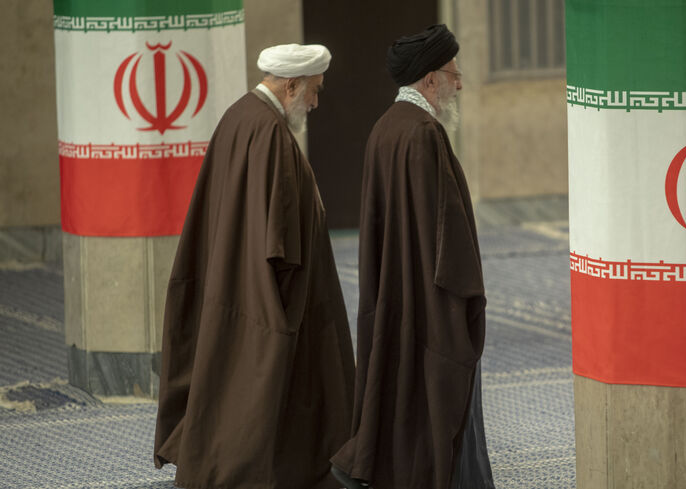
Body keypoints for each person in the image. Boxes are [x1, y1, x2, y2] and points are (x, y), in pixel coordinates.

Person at [153, 44, 355, 489]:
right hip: (267, 296)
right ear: (291, 85)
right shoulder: (269, 134)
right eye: (314, 91)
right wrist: (283, 305)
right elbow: (278, 238)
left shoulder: (241, 116)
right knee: (266, 396)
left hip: (236, 285)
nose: (316, 103)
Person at [330, 25, 495, 489]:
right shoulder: (423, 133)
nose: (459, 83)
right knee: (440, 403)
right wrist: (462, 305)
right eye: (453, 73)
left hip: (396, 298)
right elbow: (446, 241)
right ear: (429, 79)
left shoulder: (386, 127)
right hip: (428, 306)